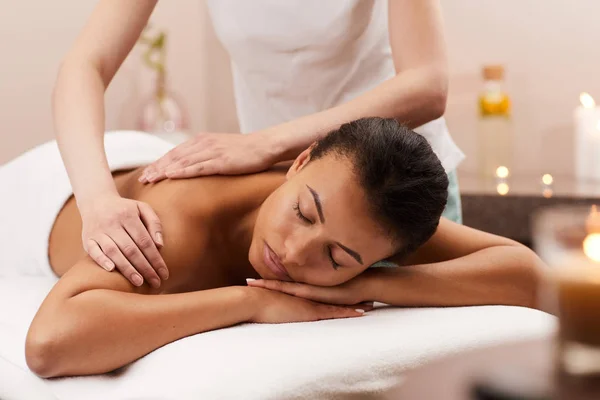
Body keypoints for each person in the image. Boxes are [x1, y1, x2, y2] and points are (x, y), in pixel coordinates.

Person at [15, 118, 540, 379]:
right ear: (299, 161)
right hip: (36, 192)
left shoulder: (362, 213)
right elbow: (50, 345)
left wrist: (368, 285)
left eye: (336, 258)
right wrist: (252, 302)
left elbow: (529, 275)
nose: (294, 253)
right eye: (302, 212)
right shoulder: (172, 229)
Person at [52, 0, 465, 286]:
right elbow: (86, 63)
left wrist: (267, 143)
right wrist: (97, 199)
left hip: (393, 194)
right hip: (288, 199)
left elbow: (427, 84)